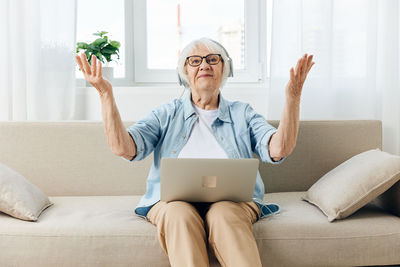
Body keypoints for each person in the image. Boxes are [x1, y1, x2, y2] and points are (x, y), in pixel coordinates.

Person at [75, 37, 314, 267]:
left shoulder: (243, 113)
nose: (204, 65)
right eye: (195, 61)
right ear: (185, 72)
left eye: (213, 59)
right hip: (173, 203)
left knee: (224, 214)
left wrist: (293, 98)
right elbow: (123, 148)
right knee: (179, 214)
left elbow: (279, 149)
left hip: (232, 203)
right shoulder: (166, 113)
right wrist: (105, 94)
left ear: (224, 69)